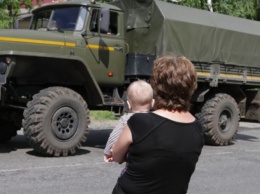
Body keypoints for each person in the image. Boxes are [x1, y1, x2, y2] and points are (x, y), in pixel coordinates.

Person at [111, 54, 204, 194]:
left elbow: (116, 156)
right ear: (191, 87)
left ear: (156, 86)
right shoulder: (197, 128)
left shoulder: (139, 122)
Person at [104, 80, 154, 162]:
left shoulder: (126, 119)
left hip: (133, 159)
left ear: (129, 104)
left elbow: (113, 137)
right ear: (152, 103)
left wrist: (108, 152)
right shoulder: (155, 118)